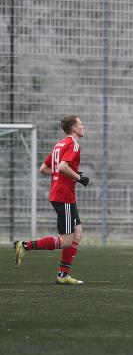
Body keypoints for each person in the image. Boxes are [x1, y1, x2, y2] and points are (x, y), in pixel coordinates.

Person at [13, 115, 89, 285]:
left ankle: (63, 275)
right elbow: (62, 167)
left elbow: (44, 168)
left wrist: (68, 177)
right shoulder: (73, 144)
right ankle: (24, 245)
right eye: (81, 125)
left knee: (78, 234)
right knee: (66, 241)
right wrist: (79, 178)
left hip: (60, 193)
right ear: (74, 129)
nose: (83, 127)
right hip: (64, 196)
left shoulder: (59, 144)